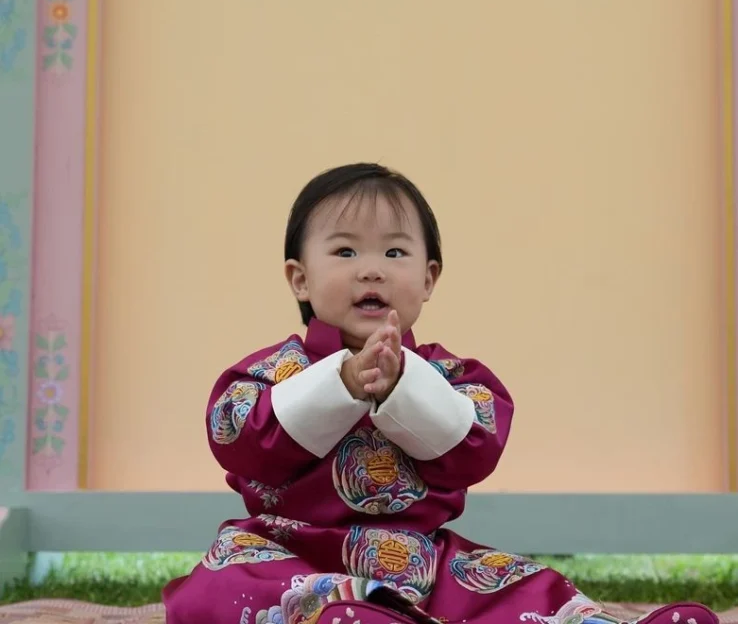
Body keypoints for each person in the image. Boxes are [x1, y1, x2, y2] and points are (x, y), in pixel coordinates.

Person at [163, 163, 718, 624]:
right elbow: (236, 437)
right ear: (300, 279)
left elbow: (475, 448)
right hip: (290, 551)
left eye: (395, 254)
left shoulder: (453, 377)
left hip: (415, 556)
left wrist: (405, 387)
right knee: (230, 584)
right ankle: (352, 611)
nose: (372, 272)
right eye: (346, 253)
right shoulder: (272, 372)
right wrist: (342, 386)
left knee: (516, 585)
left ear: (428, 279)